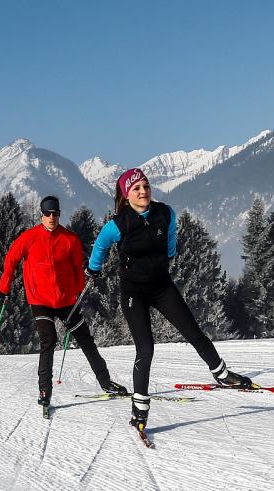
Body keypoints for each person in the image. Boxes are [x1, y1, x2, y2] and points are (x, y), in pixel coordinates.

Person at [87, 168, 252, 433]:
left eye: (146, 186)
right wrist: (93, 269)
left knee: (194, 332)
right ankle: (139, 408)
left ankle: (222, 374)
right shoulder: (117, 225)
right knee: (146, 348)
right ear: (126, 195)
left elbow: (171, 241)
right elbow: (100, 247)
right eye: (136, 188)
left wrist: (166, 258)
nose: (143, 192)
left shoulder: (165, 213)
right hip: (134, 293)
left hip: (162, 287)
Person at [0, 194, 127, 411]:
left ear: (59, 215)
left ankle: (106, 383)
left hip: (67, 301)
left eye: (55, 214)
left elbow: (78, 269)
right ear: (41, 215)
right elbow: (11, 259)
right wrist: (5, 288)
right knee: (49, 340)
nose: (51, 217)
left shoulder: (70, 239)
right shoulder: (29, 238)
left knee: (86, 340)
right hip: (40, 300)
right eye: (47, 214)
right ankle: (44, 391)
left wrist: (77, 290)